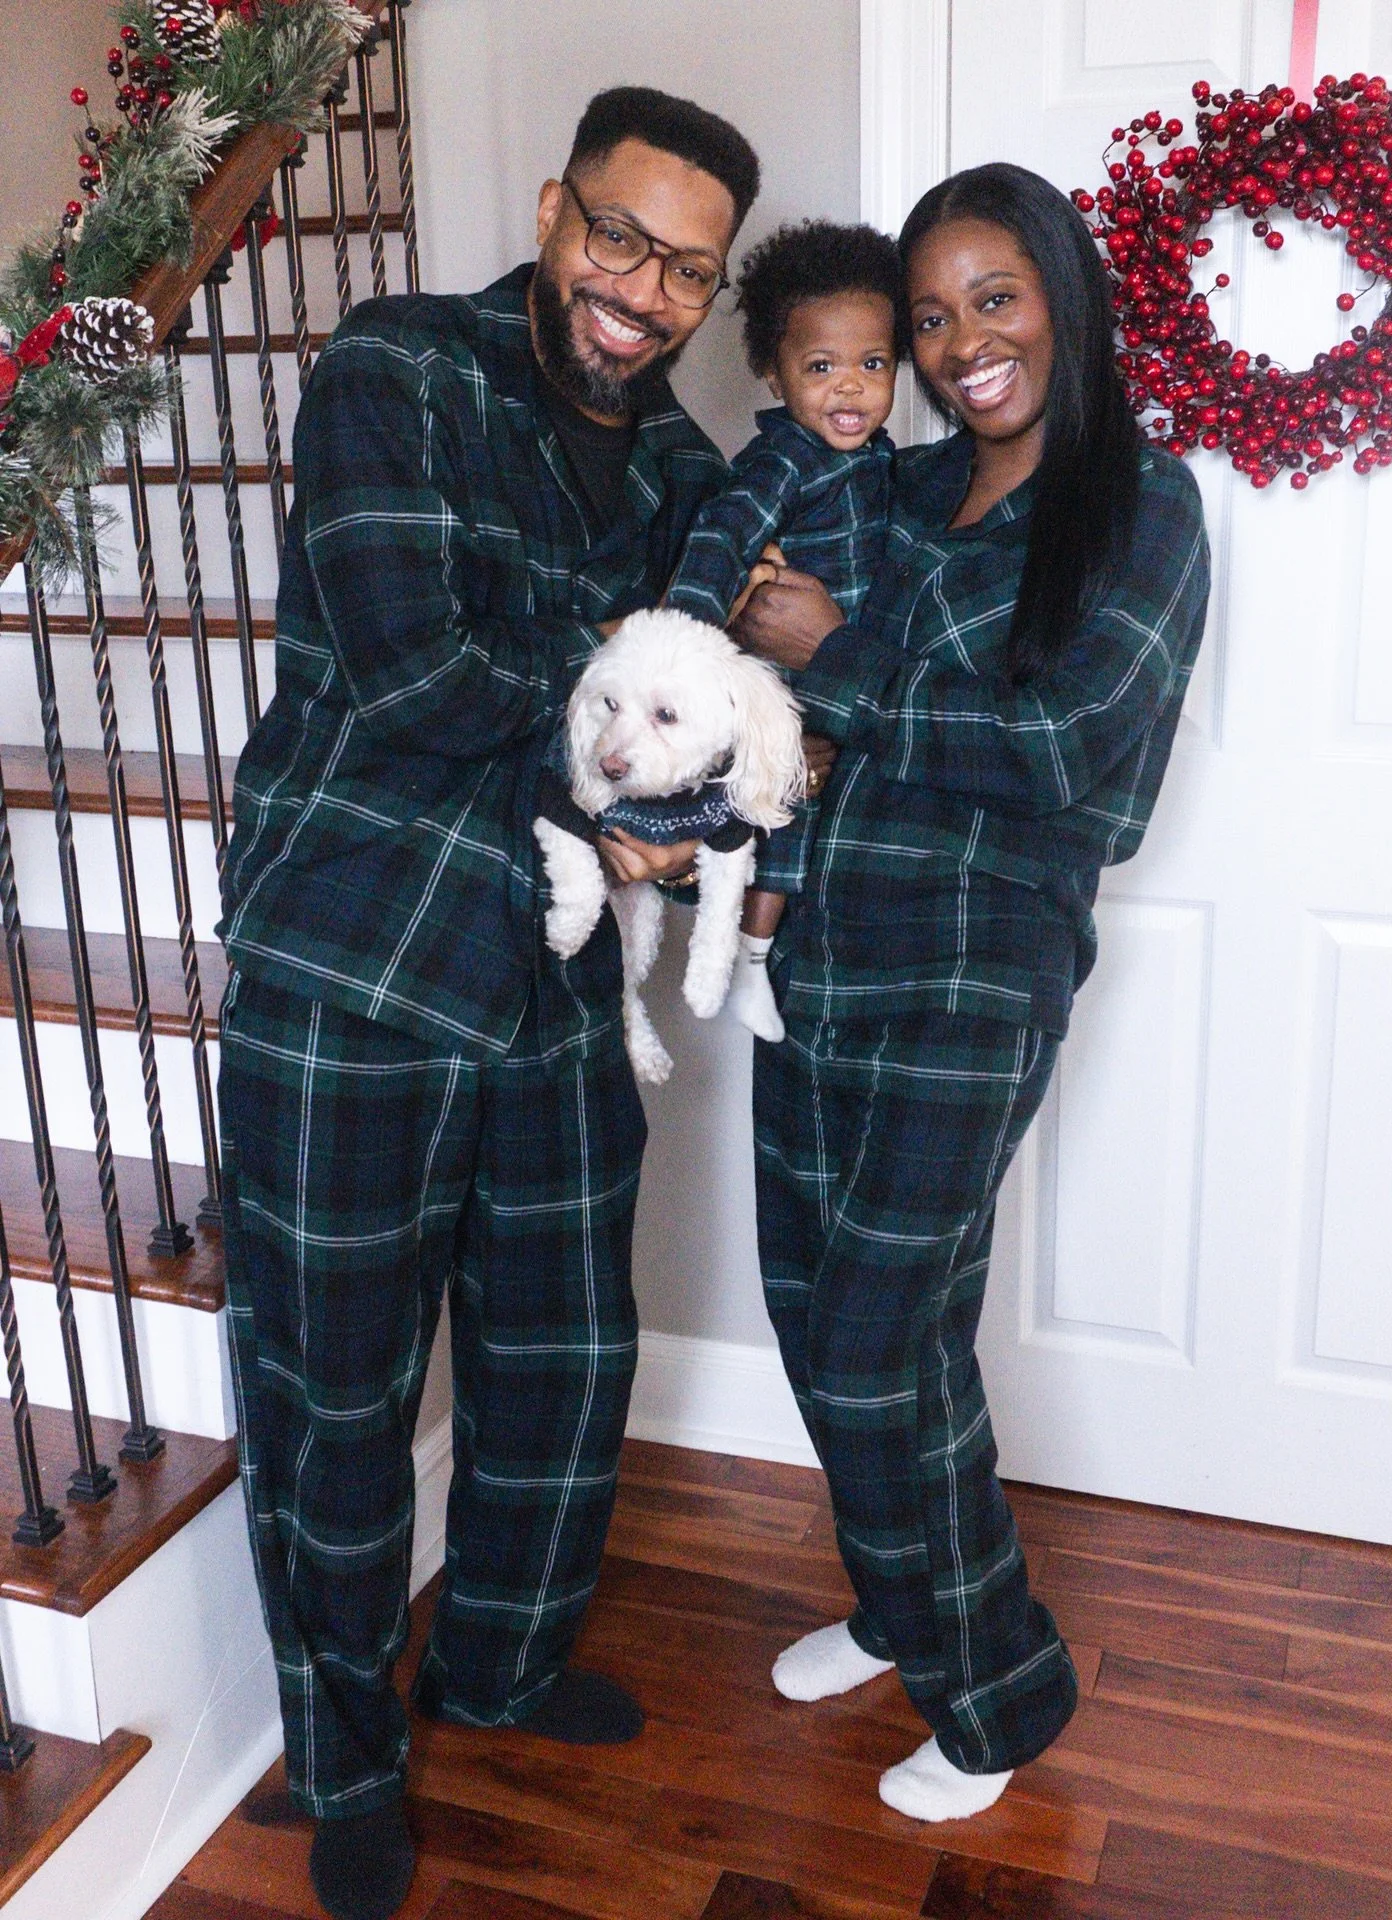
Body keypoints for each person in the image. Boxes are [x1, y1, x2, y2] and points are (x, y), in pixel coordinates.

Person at [217, 86, 758, 1920]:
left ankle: (503, 1663)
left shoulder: (690, 471)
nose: (642, 289)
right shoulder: (398, 369)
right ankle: (346, 1760)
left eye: (688, 269)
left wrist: (675, 772)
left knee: (563, 1356)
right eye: (620, 236)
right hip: (355, 959)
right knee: (334, 1393)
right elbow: (415, 669)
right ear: (552, 209)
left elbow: (694, 713)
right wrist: (623, 733)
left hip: (557, 969)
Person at [732, 163, 1210, 1823]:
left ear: (1064, 297)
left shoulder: (1142, 504)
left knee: (885, 1340)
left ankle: (1001, 1688)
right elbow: (767, 608)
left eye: (993, 298)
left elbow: (1059, 749)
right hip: (818, 953)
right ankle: (899, 1603)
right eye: (930, 318)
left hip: (974, 970)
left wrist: (836, 655)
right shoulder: (903, 480)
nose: (959, 344)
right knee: (816, 1315)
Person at [665, 220, 904, 1042]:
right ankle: (748, 959)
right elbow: (720, 536)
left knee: (811, 808)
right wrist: (692, 643)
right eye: (821, 367)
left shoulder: (879, 458)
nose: (851, 389)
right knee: (781, 809)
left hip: (844, 670)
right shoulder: (785, 462)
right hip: (787, 679)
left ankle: (753, 958)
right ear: (775, 372)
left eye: (873, 365)